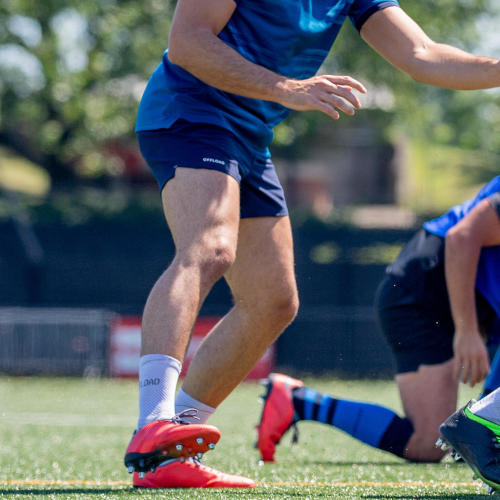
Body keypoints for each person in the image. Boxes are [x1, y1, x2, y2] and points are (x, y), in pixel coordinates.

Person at [125, 0, 500, 489]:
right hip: (189, 113)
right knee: (212, 246)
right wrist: (289, 89)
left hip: (248, 135)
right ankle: (153, 417)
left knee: (273, 303)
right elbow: (188, 41)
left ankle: (170, 445)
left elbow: (422, 54)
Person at [257, 176, 500, 464]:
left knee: (464, 441)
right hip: (421, 292)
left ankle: (486, 434)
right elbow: (462, 237)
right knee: (427, 443)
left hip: (450, 294)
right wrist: (466, 331)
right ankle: (299, 401)